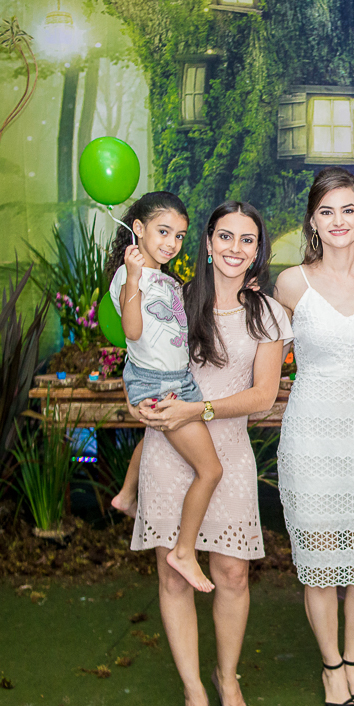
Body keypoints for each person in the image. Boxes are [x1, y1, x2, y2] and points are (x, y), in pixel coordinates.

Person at [132, 201, 292, 706]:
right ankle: (193, 690)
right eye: (225, 236)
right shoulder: (173, 299)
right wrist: (141, 402)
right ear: (206, 242)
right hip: (169, 451)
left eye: (247, 240)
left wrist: (196, 410)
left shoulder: (267, 313)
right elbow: (141, 359)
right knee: (174, 575)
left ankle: (227, 676)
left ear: (258, 250)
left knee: (232, 574)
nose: (234, 249)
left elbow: (263, 397)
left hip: (228, 456)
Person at [273, 168, 354, 706]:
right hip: (311, 436)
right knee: (319, 560)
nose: (339, 220)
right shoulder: (291, 284)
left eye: (348, 209)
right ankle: (330, 667)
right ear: (313, 221)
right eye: (327, 211)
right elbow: (261, 354)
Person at [106, 192, 221, 594]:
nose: (172, 243)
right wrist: (133, 278)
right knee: (211, 470)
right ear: (138, 229)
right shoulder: (129, 276)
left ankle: (126, 495)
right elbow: (133, 331)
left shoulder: (167, 279)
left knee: (156, 434)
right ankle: (184, 552)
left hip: (177, 380)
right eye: (163, 232)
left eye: (179, 235)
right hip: (158, 383)